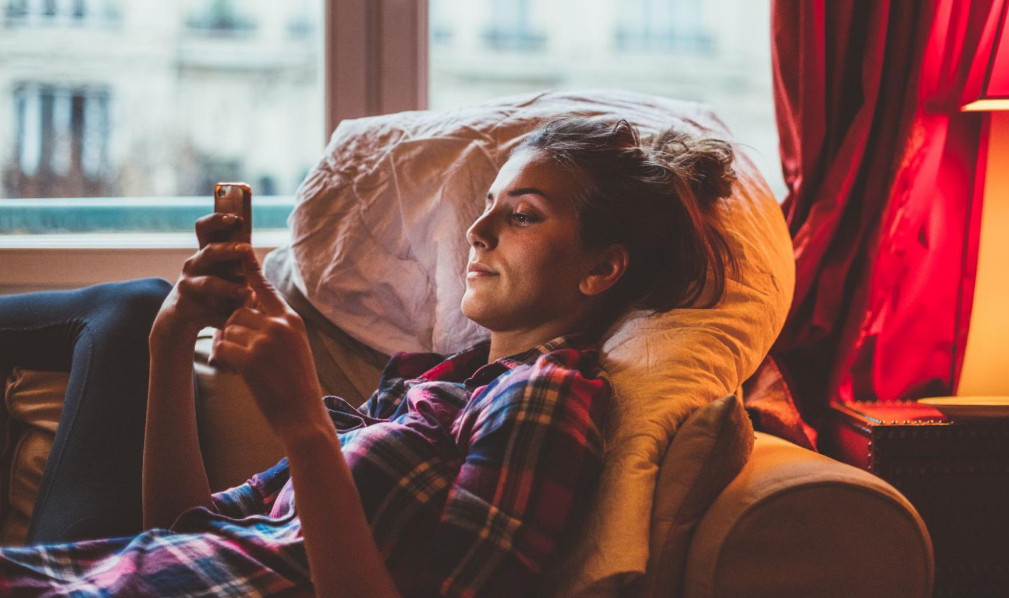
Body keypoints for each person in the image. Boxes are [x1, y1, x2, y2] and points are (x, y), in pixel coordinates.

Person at [0, 117, 738, 597]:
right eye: (487, 205)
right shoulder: (432, 389)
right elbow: (183, 532)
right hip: (110, 575)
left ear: (601, 269)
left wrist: (303, 423)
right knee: (138, 311)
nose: (477, 230)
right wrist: (171, 343)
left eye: (521, 216)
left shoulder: (546, 396)